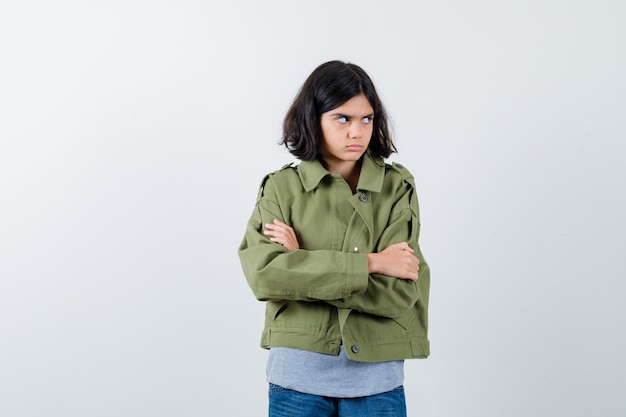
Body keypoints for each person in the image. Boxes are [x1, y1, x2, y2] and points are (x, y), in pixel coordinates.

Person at [238, 60, 430, 417]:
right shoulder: (282, 188)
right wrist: (372, 263)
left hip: (378, 381)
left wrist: (303, 265)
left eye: (366, 119)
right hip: (297, 380)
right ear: (314, 120)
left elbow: (401, 291)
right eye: (342, 118)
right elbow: (266, 276)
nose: (356, 132)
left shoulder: (397, 188)